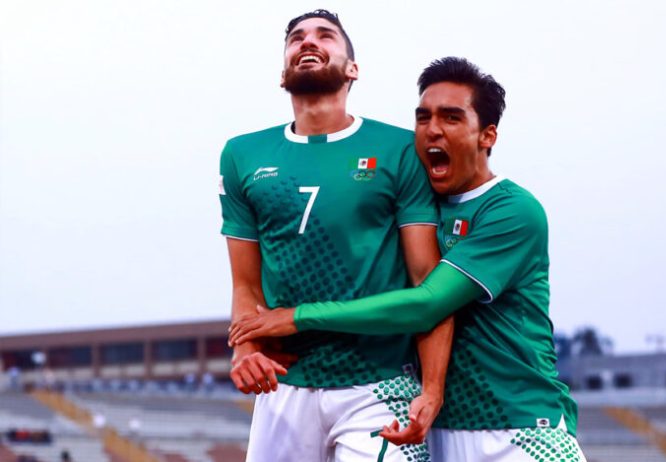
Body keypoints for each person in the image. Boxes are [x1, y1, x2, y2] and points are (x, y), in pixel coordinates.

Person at [229, 57, 587, 462]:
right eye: (423, 117)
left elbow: (426, 303)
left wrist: (296, 317)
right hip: (438, 431)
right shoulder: (411, 211)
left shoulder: (511, 211)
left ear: (487, 135)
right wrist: (252, 341)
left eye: (451, 118)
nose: (433, 129)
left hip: (521, 430)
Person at [219, 9, 452, 462]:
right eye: (296, 38)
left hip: (379, 384)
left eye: (325, 36)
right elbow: (246, 285)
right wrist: (244, 349)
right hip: (284, 386)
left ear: (353, 69)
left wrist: (432, 389)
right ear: (282, 72)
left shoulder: (400, 149)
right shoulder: (242, 154)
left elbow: (429, 286)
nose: (308, 41)